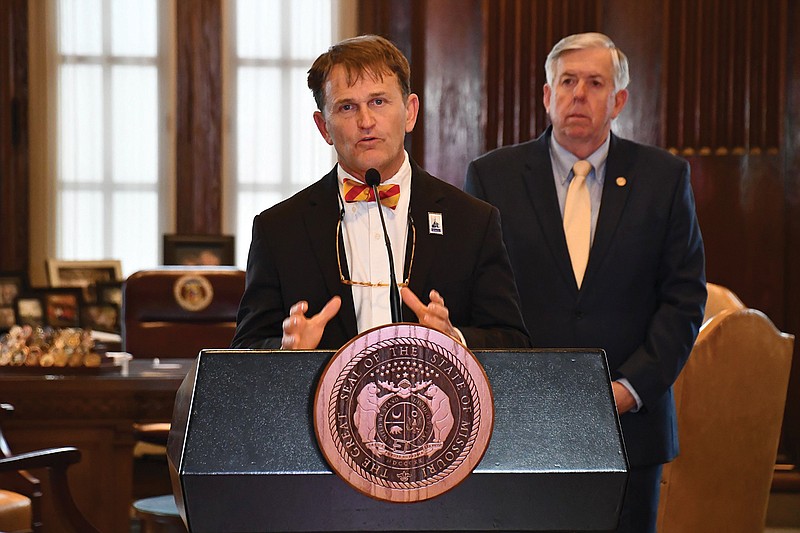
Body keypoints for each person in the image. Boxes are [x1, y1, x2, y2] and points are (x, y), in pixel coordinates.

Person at [465, 32, 706, 532]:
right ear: (547, 96)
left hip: (630, 427)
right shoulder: (493, 178)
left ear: (618, 100)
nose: (579, 94)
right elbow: (480, 298)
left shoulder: (664, 178)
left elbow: (682, 301)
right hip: (519, 425)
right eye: (568, 81)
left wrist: (628, 388)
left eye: (595, 83)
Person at [232, 34, 529, 352]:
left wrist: (453, 339)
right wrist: (286, 351)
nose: (366, 121)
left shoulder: (472, 221)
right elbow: (244, 349)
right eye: (347, 107)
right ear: (324, 128)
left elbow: (513, 341)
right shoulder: (279, 228)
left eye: (378, 101)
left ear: (410, 112)